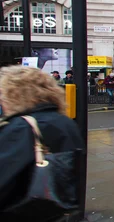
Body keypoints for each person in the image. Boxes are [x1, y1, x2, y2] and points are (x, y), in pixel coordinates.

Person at [0, 65, 84, 217]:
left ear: (15, 94)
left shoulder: (20, 127)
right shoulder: (66, 122)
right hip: (59, 209)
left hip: (26, 212)